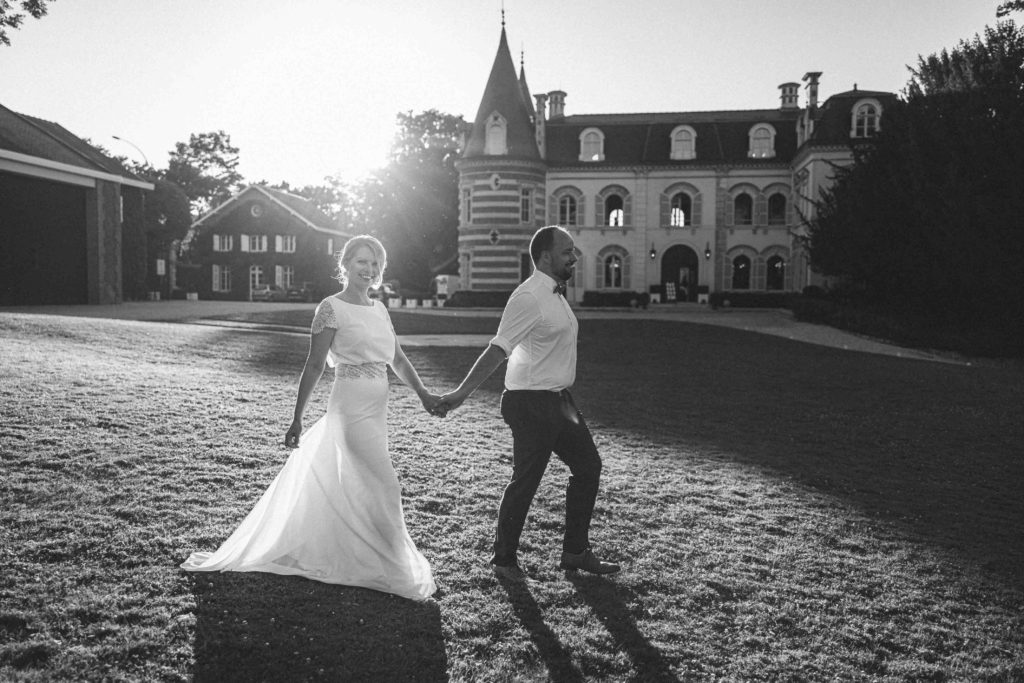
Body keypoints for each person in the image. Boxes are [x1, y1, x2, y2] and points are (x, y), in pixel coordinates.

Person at [182, 235, 440, 601]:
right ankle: (396, 566)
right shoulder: (331, 308)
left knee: (362, 484)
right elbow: (316, 365)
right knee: (385, 484)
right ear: (346, 264)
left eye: (375, 264)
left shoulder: (379, 309)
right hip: (350, 407)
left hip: (378, 408)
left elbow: (396, 359)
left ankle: (369, 555)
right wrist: (297, 418)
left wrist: (424, 394)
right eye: (362, 262)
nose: (368, 270)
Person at [439, 225, 620, 578]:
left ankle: (575, 552)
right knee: (527, 480)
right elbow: (499, 349)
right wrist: (460, 394)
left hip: (559, 400)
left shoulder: (555, 294)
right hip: (530, 403)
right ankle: (504, 560)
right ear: (547, 256)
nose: (575, 256)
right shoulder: (529, 296)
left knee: (588, 467)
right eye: (568, 251)